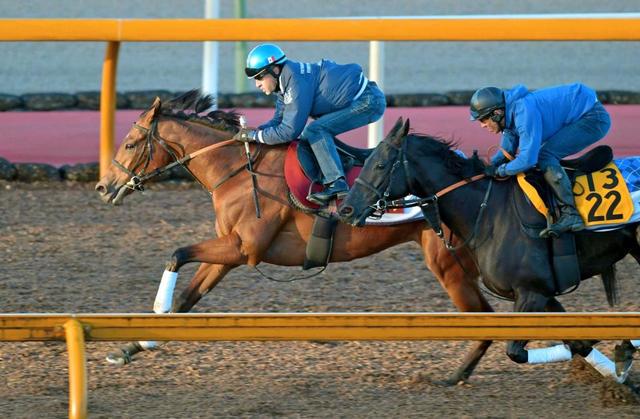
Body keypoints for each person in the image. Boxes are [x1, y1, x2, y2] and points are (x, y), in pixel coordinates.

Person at [233, 43, 386, 205]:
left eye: (259, 77)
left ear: (275, 70)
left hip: (369, 102)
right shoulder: (285, 82)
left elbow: (289, 131)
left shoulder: (295, 81)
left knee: (314, 131)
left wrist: (255, 136)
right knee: (316, 131)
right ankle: (341, 166)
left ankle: (337, 183)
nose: (257, 84)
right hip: (363, 98)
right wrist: (254, 133)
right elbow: (277, 121)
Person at [469, 83, 611, 238]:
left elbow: (527, 160)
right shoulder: (509, 114)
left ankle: (570, 214)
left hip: (592, 118)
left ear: (497, 113)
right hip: (580, 110)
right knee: (542, 154)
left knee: (546, 156)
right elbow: (506, 151)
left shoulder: (524, 112)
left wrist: (499, 170)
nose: (482, 125)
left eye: (483, 120)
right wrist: (486, 166)